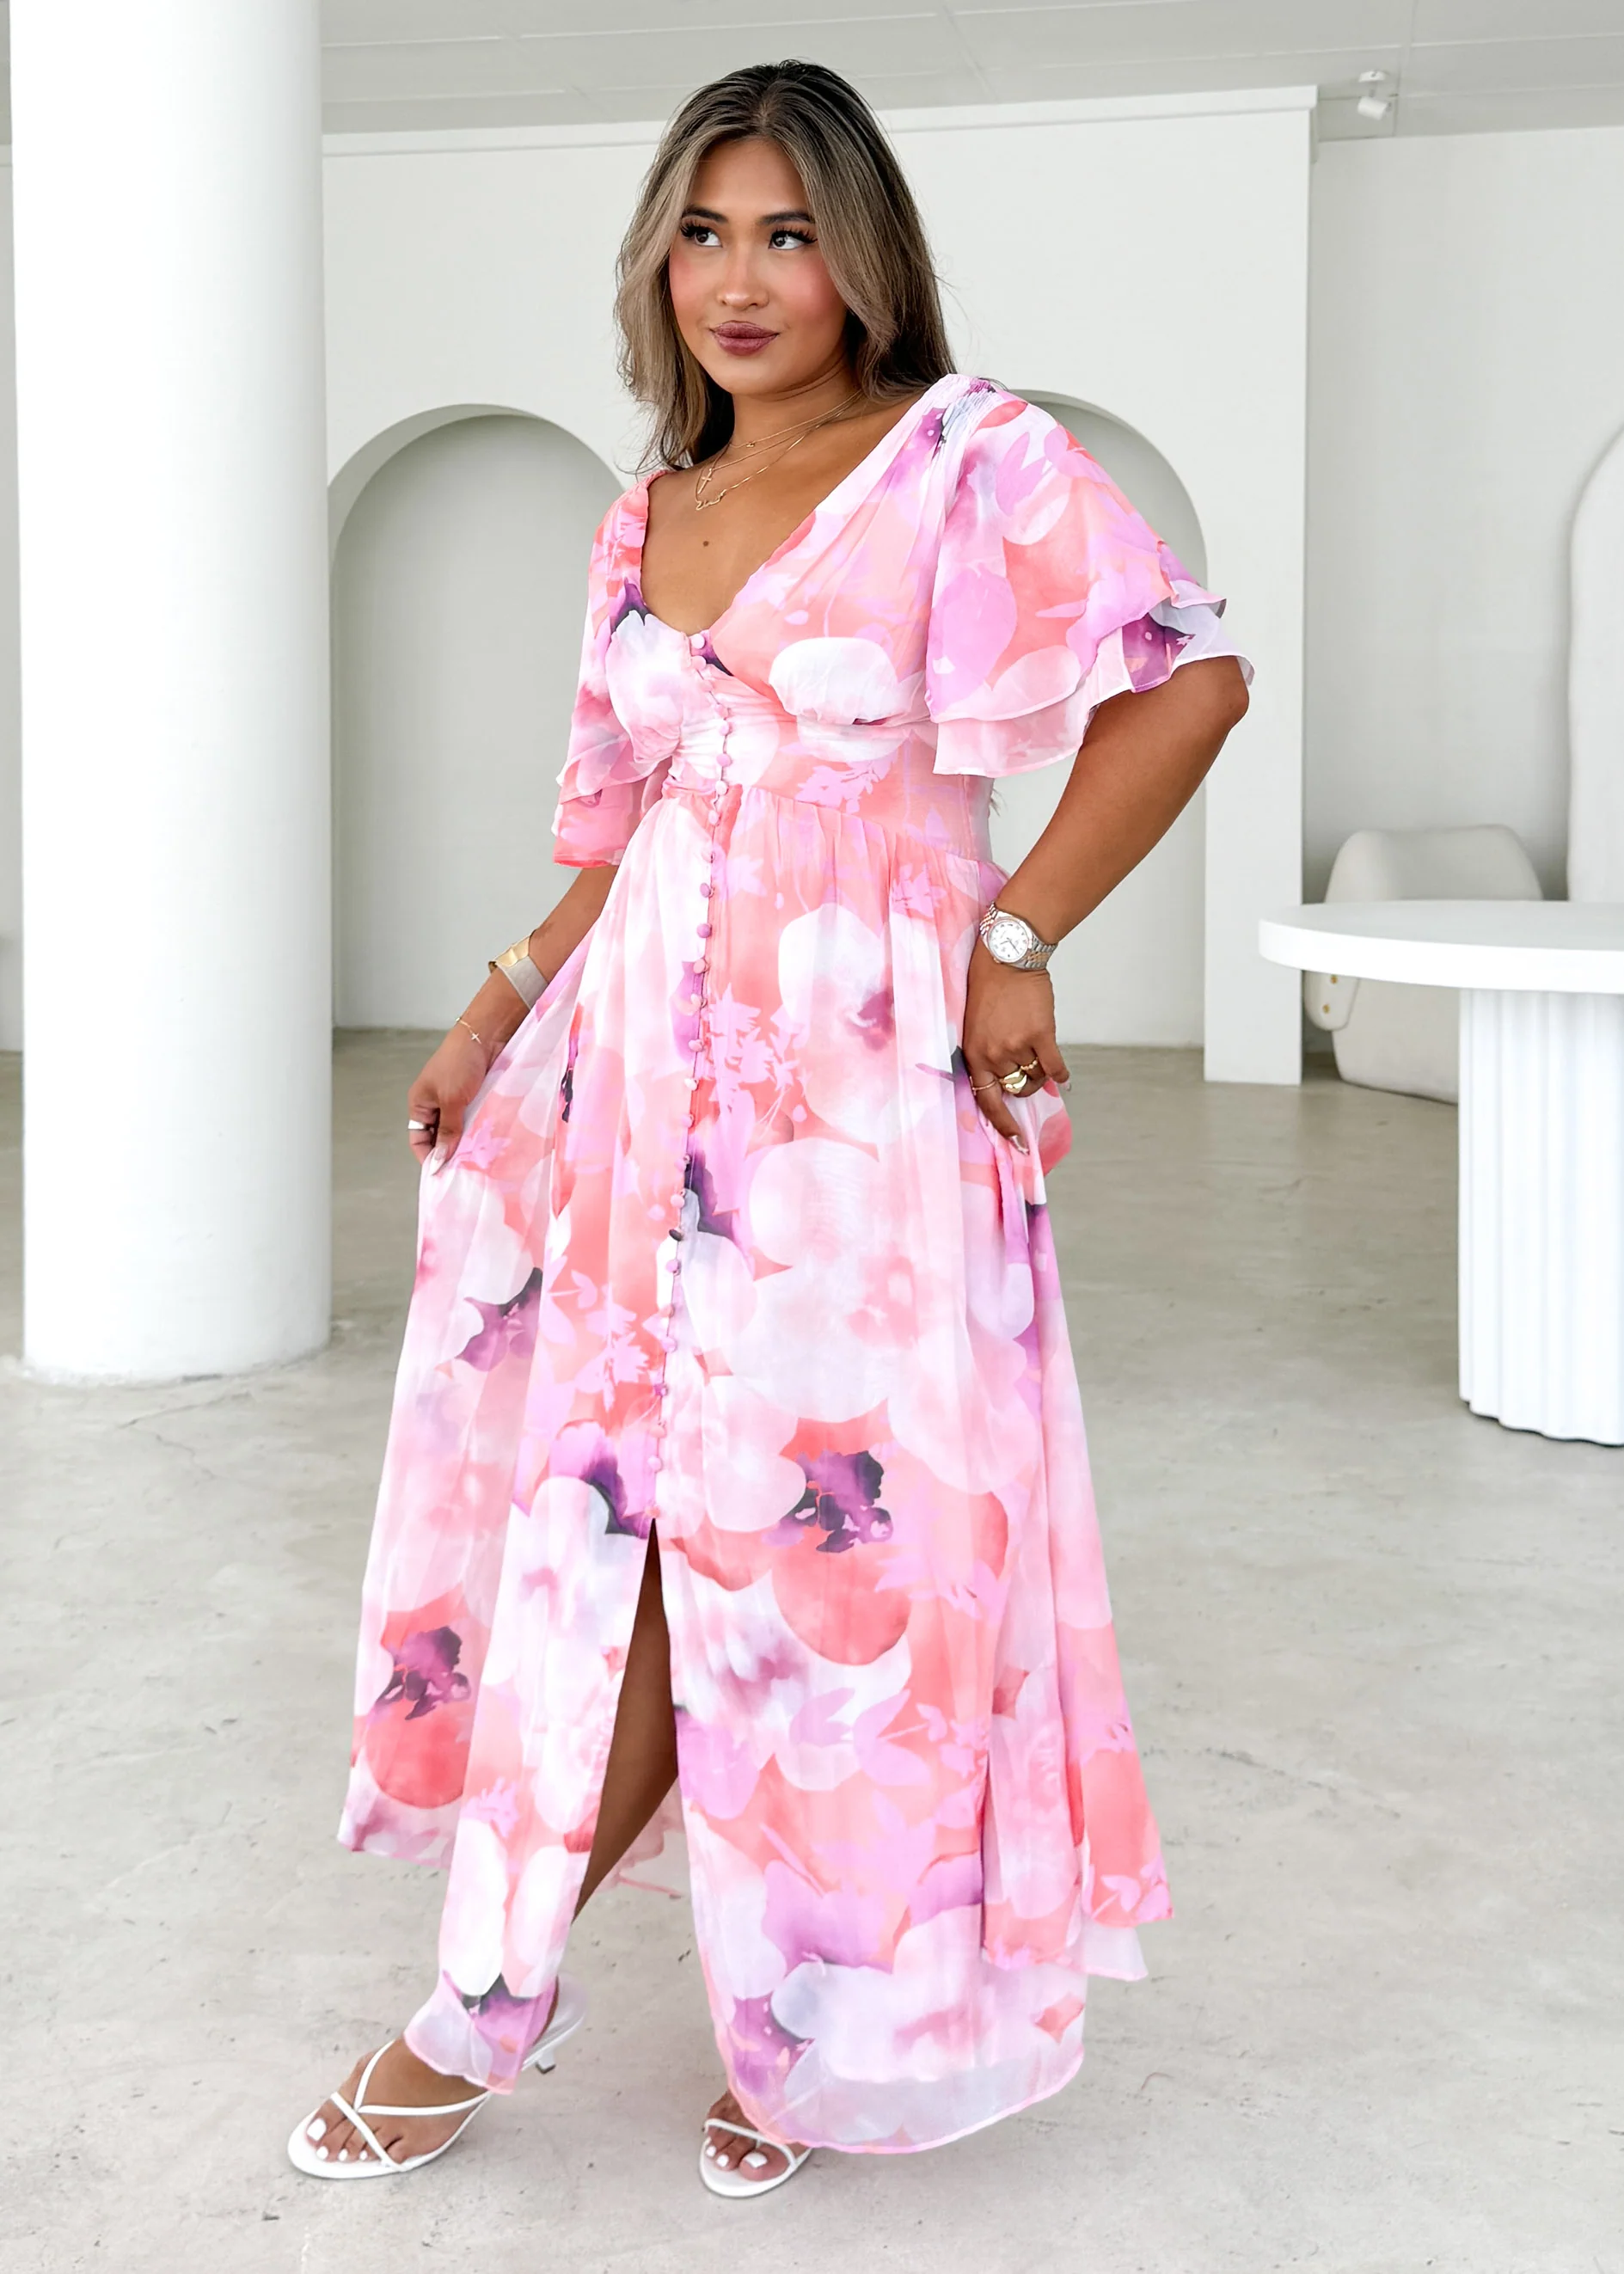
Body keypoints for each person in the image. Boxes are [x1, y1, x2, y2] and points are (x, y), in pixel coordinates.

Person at [290, 58, 1250, 2198]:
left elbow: (1187, 678)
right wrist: (494, 1000)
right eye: (702, 235)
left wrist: (1019, 934)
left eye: (788, 235)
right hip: (634, 1093)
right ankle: (485, 1993)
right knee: (603, 1537)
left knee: (839, 1566)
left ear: (861, 257)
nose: (738, 280)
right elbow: (624, 823)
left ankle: (812, 2008)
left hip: (858, 1115)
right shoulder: (644, 509)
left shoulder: (962, 458)